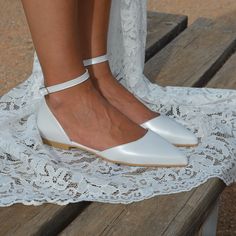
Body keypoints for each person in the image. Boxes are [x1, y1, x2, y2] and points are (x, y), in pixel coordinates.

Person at [20, 0, 197, 167]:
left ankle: (97, 77)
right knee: (68, 86)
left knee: (97, 71)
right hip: (66, 99)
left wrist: (99, 75)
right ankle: (68, 97)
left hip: (97, 76)